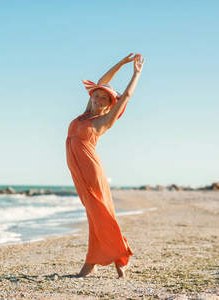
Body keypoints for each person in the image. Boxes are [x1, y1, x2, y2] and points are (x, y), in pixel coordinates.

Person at [66, 53, 144, 278]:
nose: (98, 99)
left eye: (104, 99)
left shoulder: (102, 122)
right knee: (94, 215)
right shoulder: (84, 117)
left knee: (101, 214)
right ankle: (107, 261)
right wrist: (121, 63)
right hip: (78, 172)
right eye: (96, 96)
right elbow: (101, 81)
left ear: (110, 106)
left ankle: (108, 261)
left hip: (91, 172)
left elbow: (126, 95)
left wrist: (135, 73)